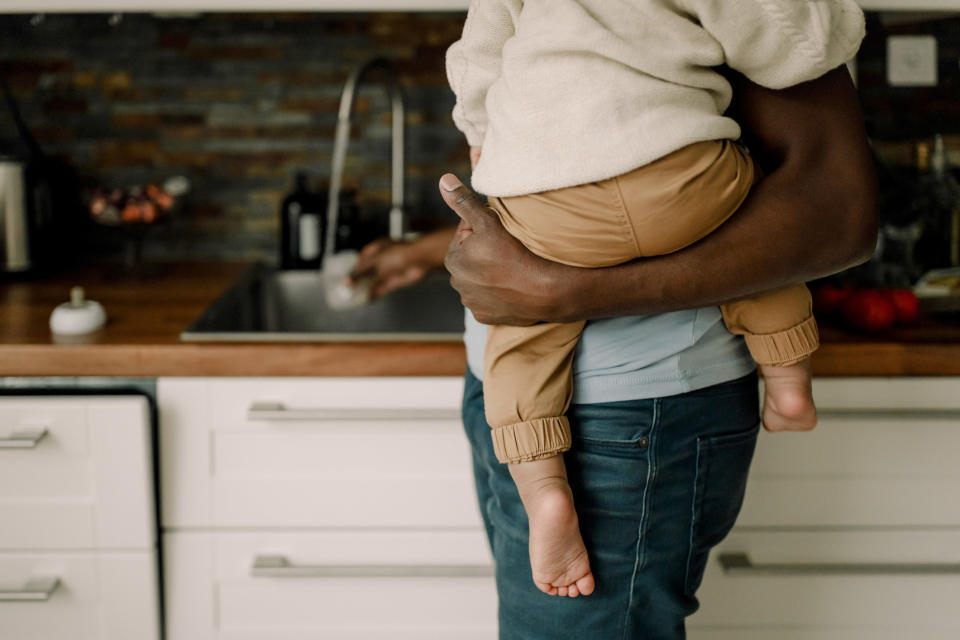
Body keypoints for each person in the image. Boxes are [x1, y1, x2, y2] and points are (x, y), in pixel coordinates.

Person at [351, 56, 876, 640]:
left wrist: (555, 286)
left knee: (525, 343)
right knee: (739, 212)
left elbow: (840, 210)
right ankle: (788, 381)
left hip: (624, 419)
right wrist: (432, 253)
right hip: (678, 214)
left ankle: (543, 485)